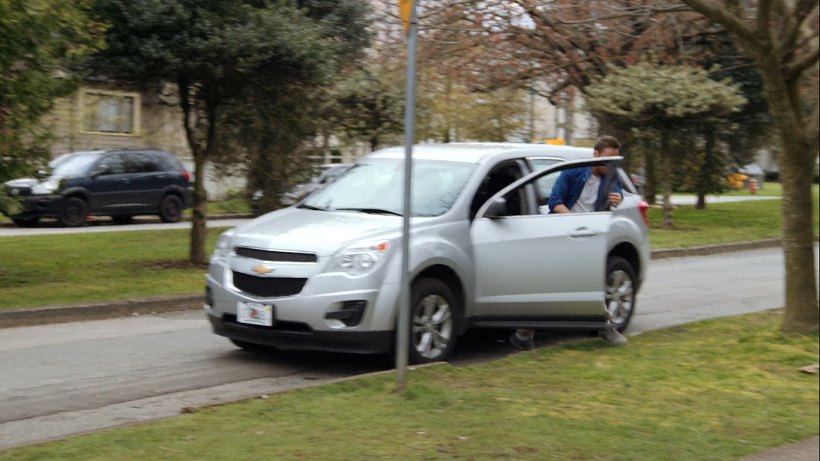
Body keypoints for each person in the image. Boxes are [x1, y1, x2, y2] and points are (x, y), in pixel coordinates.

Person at [509, 135, 628, 351]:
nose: (610, 163)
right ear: (595, 154)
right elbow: (555, 202)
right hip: (561, 233)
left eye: (614, 159)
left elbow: (617, 192)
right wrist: (575, 221)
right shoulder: (573, 171)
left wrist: (618, 198)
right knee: (552, 285)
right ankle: (524, 332)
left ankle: (603, 326)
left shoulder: (611, 176)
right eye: (607, 158)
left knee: (589, 284)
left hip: (587, 236)